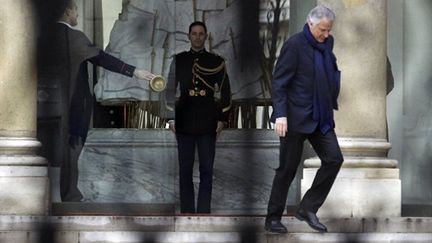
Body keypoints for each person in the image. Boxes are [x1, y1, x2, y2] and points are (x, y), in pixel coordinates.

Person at [37, 0, 156, 202]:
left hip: (43, 106)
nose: (77, 15)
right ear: (67, 11)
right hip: (74, 107)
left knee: (48, 149)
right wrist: (135, 71)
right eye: (75, 10)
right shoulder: (75, 37)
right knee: (70, 150)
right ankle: (67, 195)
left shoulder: (41, 38)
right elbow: (103, 59)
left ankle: (49, 195)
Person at [265, 5, 343, 233]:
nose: (326, 35)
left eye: (329, 30)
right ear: (310, 23)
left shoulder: (327, 44)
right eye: (322, 30)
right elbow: (279, 82)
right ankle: (272, 219)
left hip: (320, 117)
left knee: (334, 159)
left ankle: (307, 207)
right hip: (294, 117)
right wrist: (280, 115)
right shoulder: (294, 45)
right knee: (287, 170)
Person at [166, 21, 232, 214]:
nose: (197, 37)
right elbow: (169, 89)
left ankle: (203, 212)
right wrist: (171, 117)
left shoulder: (216, 61)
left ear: (206, 36)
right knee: (185, 170)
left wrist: (222, 118)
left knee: (206, 170)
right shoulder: (179, 60)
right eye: (194, 34)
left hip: (208, 121)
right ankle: (187, 212)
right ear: (189, 36)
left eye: (200, 34)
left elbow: (226, 91)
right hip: (184, 120)